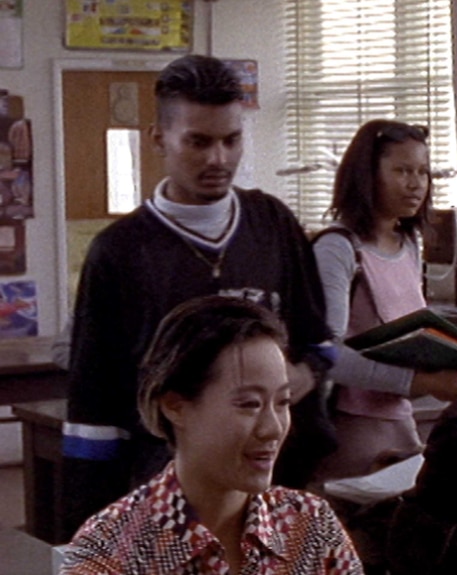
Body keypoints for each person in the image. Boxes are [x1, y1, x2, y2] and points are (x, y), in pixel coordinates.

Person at [61, 54, 336, 540]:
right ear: (159, 138)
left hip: (271, 485)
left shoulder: (273, 225)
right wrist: (86, 532)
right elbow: (93, 410)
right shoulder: (119, 252)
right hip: (165, 496)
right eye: (198, 142)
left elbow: (319, 344)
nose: (218, 159)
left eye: (231, 141)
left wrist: (299, 378)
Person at [60, 295, 363, 575]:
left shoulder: (311, 525)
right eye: (249, 405)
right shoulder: (110, 554)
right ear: (175, 406)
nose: (273, 428)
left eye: (283, 402)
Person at [312, 119, 457, 480]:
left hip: (400, 418)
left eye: (423, 172)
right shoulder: (338, 249)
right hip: (350, 426)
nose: (416, 183)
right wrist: (422, 383)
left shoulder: (408, 245)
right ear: (367, 175)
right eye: (402, 171)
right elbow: (327, 354)